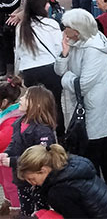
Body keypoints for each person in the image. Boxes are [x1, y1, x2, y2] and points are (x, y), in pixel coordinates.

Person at [55, 9, 107, 185]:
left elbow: (84, 83)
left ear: (77, 30)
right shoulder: (74, 42)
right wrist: (64, 53)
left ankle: (95, 179)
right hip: (81, 100)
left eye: (66, 27)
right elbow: (59, 70)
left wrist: (66, 78)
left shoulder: (94, 49)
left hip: (93, 101)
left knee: (93, 141)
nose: (63, 30)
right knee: (100, 139)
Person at [17, 144, 107, 218]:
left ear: (43, 170)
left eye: (32, 179)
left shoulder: (59, 191)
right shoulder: (69, 166)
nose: (32, 183)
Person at [1, 86, 56, 216]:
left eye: (26, 97)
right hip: (22, 179)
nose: (21, 98)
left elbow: (41, 159)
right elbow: (14, 143)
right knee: (25, 211)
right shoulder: (19, 123)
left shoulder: (43, 130)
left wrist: (12, 161)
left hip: (37, 182)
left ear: (37, 104)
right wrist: (7, 153)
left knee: (39, 211)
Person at [15, 0, 64, 138]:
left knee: (34, 106)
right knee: (55, 104)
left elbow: (19, 51)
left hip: (29, 70)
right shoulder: (51, 24)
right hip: (50, 69)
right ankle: (60, 136)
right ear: (42, 7)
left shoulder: (21, 27)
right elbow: (59, 48)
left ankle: (38, 137)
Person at [0, 76, 24, 208]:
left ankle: (16, 209)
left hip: (9, 159)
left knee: (11, 185)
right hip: (4, 159)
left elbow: (3, 140)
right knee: (5, 183)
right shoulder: (8, 115)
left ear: (4, 102)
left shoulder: (12, 119)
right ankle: (8, 204)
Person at [0, 0, 26, 76]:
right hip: (2, 18)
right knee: (4, 45)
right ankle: (5, 69)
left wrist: (2, 6)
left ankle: (15, 71)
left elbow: (13, 4)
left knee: (13, 44)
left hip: (12, 19)